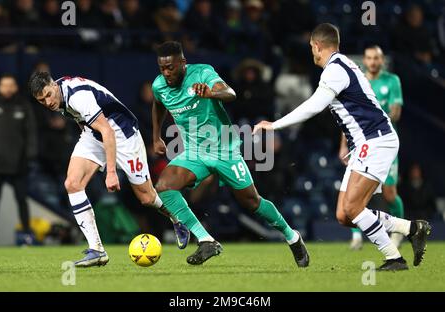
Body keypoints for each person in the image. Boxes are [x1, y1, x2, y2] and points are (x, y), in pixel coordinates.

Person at [253, 23, 431, 271]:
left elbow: (314, 106)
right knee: (344, 216)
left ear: (317, 46)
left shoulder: (334, 70)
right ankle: (412, 228)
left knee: (353, 207)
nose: (311, 53)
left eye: (311, 48)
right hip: (364, 143)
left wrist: (274, 125)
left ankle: (393, 258)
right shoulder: (342, 65)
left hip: (376, 140)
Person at [152, 41, 309, 266]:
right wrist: (156, 135)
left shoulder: (202, 73)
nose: (167, 73)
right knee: (164, 187)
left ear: (183, 63)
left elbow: (230, 93)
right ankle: (206, 240)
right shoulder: (159, 85)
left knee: (252, 202)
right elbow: (158, 104)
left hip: (224, 149)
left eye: (171, 68)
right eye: (162, 68)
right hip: (195, 152)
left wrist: (211, 93)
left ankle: (292, 237)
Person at [29, 72, 190, 267]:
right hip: (94, 133)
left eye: (48, 95)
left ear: (54, 85)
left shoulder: (77, 96)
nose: (47, 102)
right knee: (72, 183)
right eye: (41, 100)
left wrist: (111, 172)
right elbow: (87, 121)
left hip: (122, 133)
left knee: (146, 197)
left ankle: (178, 218)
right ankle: (97, 249)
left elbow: (108, 130)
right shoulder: (59, 95)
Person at [340, 45, 406, 250]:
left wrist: (377, 118)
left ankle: (399, 232)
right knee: (356, 191)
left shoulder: (392, 80)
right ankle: (357, 237)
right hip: (360, 144)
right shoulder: (359, 81)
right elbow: (349, 118)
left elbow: (396, 112)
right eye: (369, 58)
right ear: (365, 61)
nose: (373, 62)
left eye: (376, 58)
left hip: (383, 143)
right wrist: (343, 145)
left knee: (388, 193)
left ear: (382, 60)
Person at [0, 74, 37, 243]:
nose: (7, 88)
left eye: (10, 85)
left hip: (19, 164)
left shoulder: (24, 106)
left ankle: (27, 235)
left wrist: (29, 156)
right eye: (4, 85)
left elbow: (31, 133)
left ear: (16, 87)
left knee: (22, 200)